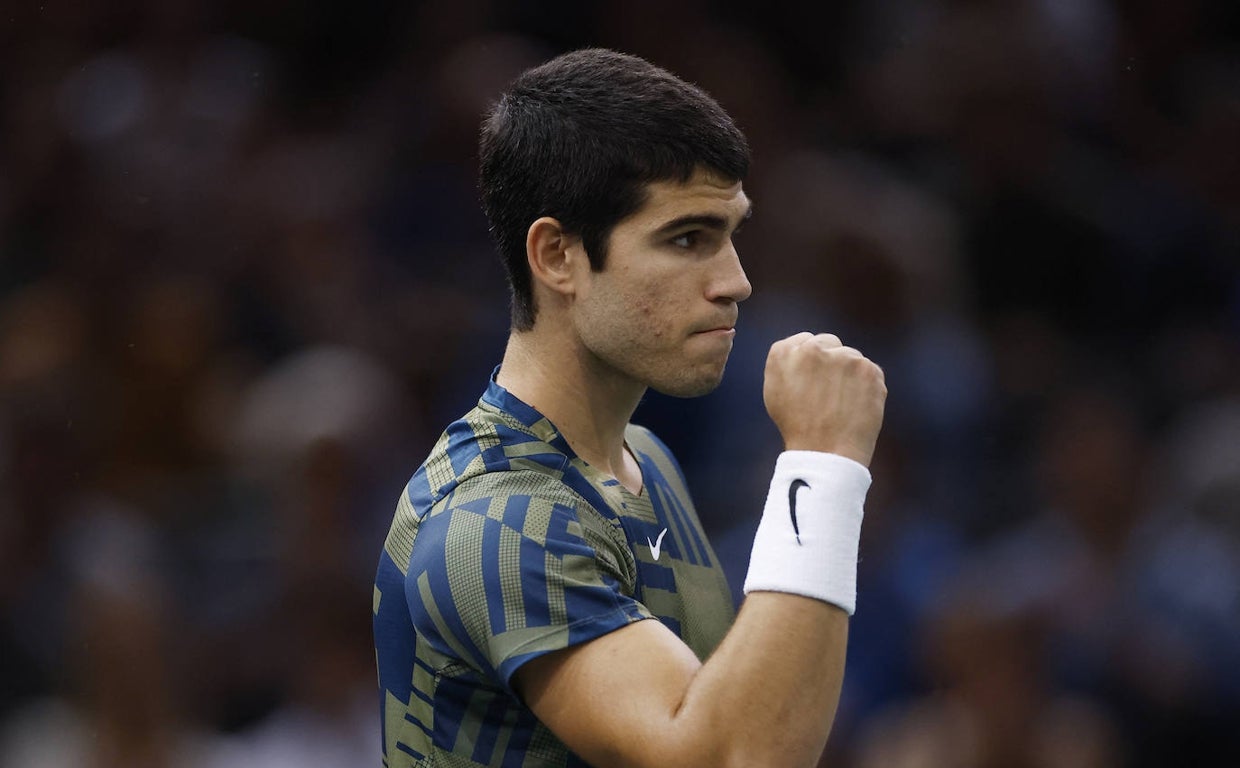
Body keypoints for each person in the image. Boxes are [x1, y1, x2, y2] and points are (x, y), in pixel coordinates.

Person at [373, 47, 887, 768]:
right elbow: (733, 757)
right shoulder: (494, 521)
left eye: (731, 233)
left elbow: (744, 709)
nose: (736, 282)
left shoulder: (646, 459)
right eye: (686, 239)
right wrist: (822, 465)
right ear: (557, 257)